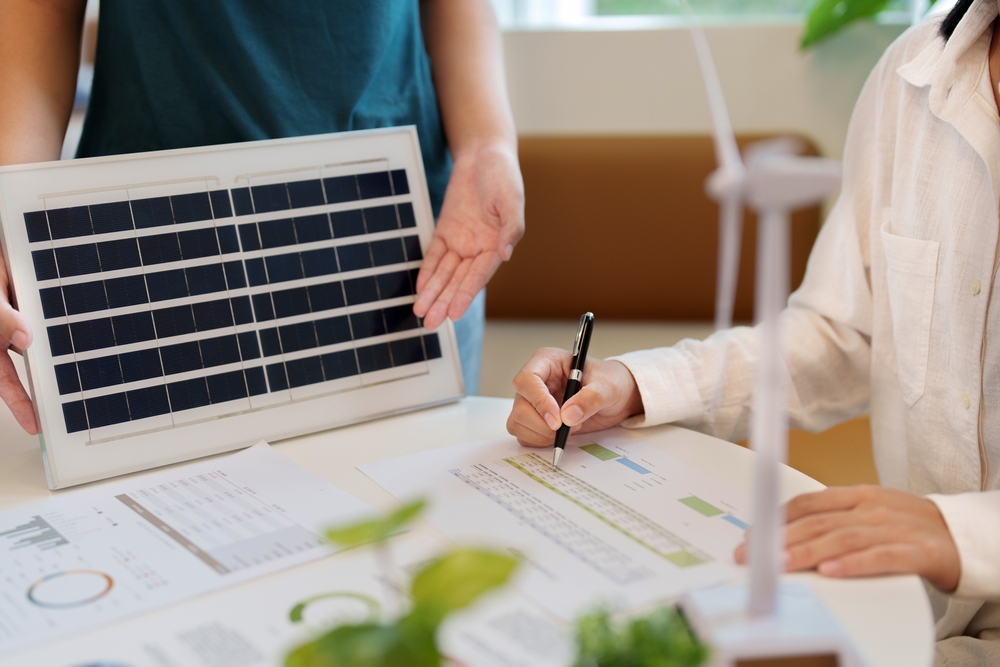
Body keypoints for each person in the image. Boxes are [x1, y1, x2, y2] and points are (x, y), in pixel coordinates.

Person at [509, 0, 1000, 662]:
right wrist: (636, 385)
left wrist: (961, 533)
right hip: (909, 606)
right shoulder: (913, 75)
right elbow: (843, 333)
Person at [0, 0, 524, 434]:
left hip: (401, 243)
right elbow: (36, 21)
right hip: (148, 251)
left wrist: (487, 146)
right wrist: (5, 212)